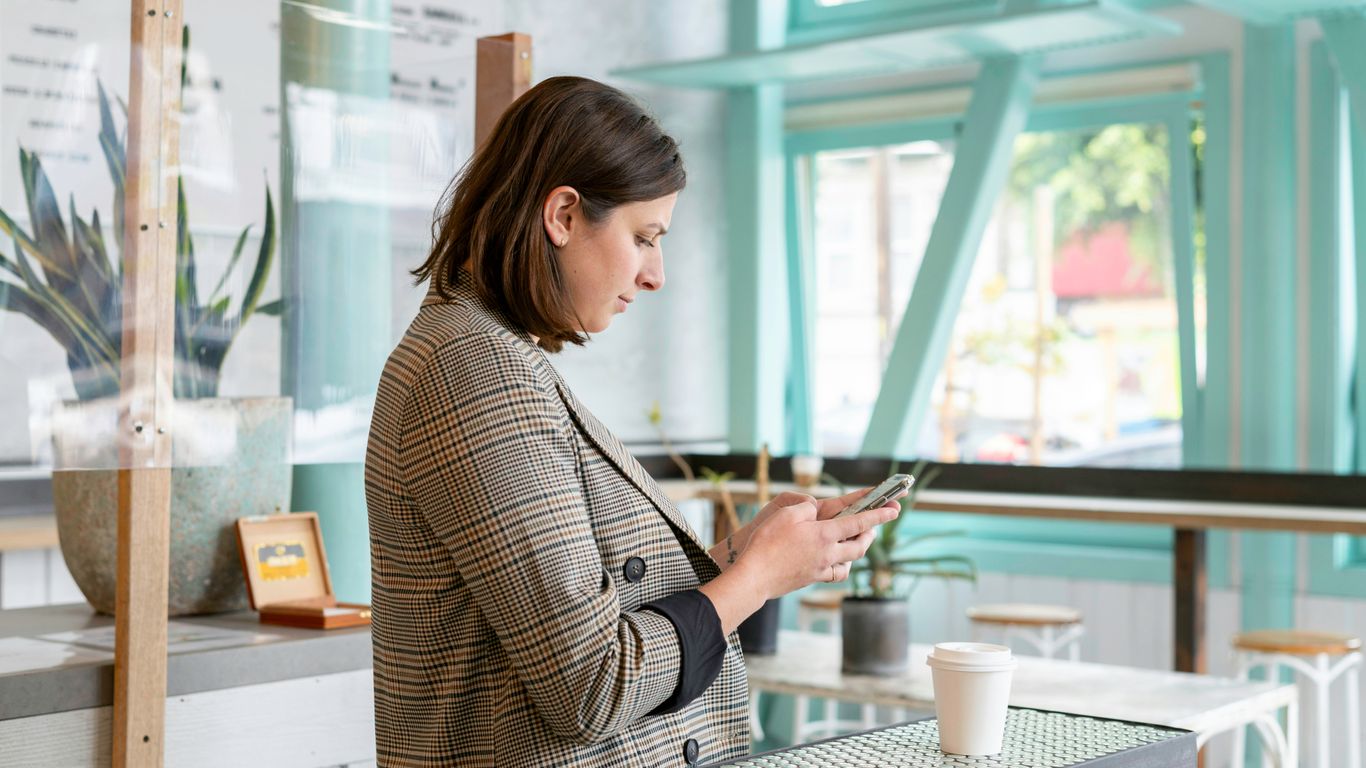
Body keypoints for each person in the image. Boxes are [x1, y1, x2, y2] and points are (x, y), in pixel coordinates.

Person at [363, 76, 901, 768]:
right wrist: (756, 580)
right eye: (644, 237)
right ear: (562, 215)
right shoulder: (474, 373)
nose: (656, 275)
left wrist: (744, 556)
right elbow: (593, 684)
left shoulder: (491, 356)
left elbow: (591, 604)